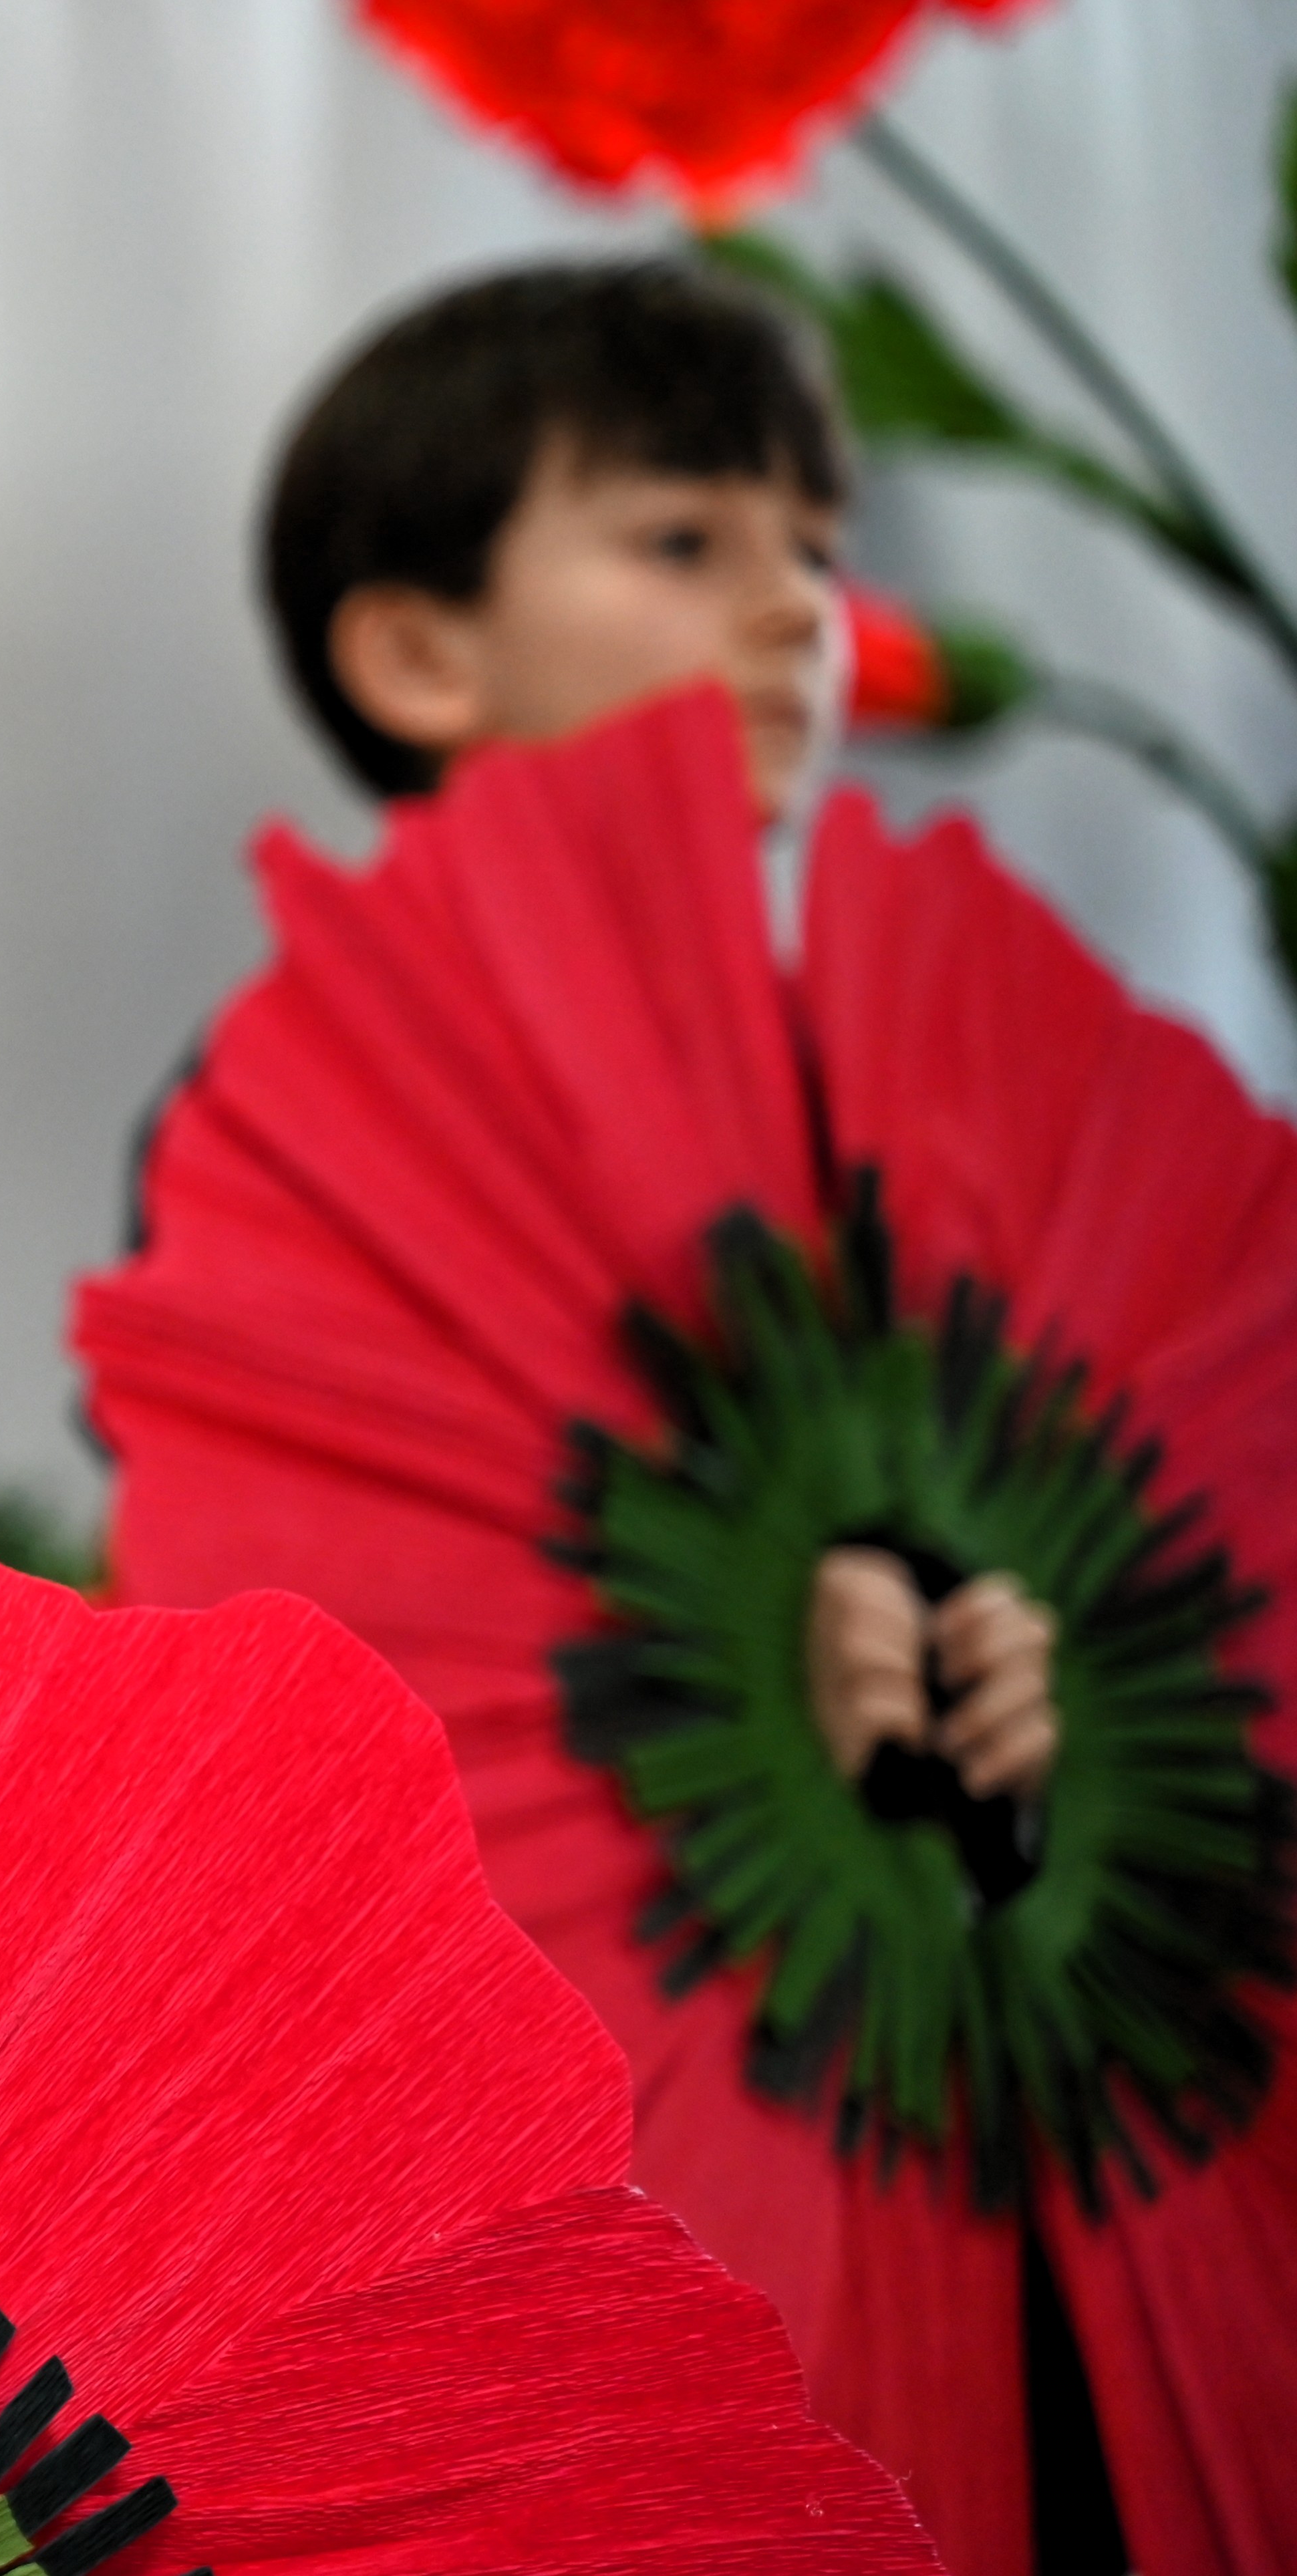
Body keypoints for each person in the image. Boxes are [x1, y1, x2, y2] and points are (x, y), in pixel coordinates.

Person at [253, 254, 1056, 1813]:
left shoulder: (874, 1088)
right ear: (418, 657)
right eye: (682, 541)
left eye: (815, 551)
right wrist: (744, 1641)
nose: (796, 610)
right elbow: (336, 1603)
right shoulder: (319, 1126)